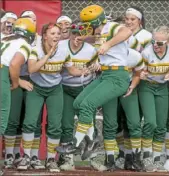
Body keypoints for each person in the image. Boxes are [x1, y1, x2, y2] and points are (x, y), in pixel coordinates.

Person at [56, 4, 132, 171]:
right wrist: (85, 39)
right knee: (78, 103)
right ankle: (91, 140)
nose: (86, 26)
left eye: (87, 22)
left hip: (117, 75)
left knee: (88, 105)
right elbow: (99, 39)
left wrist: (109, 44)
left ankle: (75, 144)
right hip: (105, 75)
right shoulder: (99, 31)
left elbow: (126, 32)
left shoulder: (111, 26)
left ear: (95, 20)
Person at [17, 22, 89, 172]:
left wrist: (85, 70)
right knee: (30, 122)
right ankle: (27, 156)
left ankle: (51, 159)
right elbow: (32, 69)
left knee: (55, 125)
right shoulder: (36, 50)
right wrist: (49, 55)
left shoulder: (63, 52)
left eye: (58, 33)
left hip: (55, 89)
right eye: (53, 33)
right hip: (36, 88)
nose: (56, 36)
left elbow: (71, 70)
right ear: (44, 36)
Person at [4, 11, 44, 170]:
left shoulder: (41, 40)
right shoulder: (12, 39)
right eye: (28, 20)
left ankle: (32, 156)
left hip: (36, 80)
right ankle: (10, 154)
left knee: (33, 119)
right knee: (13, 118)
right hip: (15, 77)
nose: (31, 22)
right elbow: (9, 62)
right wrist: (18, 80)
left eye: (34, 19)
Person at [56, 23, 99, 171]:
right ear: (69, 33)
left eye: (81, 34)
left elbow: (98, 66)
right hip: (65, 87)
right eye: (74, 33)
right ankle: (67, 159)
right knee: (66, 123)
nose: (77, 37)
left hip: (85, 88)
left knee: (89, 122)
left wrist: (96, 67)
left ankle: (93, 158)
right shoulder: (61, 46)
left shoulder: (90, 49)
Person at [1, 17, 36, 167]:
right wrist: (15, 82)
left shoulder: (5, 39)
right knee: (2, 118)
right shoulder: (24, 44)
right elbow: (14, 64)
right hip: (2, 72)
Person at [139, 26, 169, 172]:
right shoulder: (147, 52)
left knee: (161, 125)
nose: (155, 45)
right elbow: (138, 70)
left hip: (162, 88)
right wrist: (141, 74)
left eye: (160, 43)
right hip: (147, 87)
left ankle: (157, 159)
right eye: (153, 41)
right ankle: (146, 157)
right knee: (150, 122)